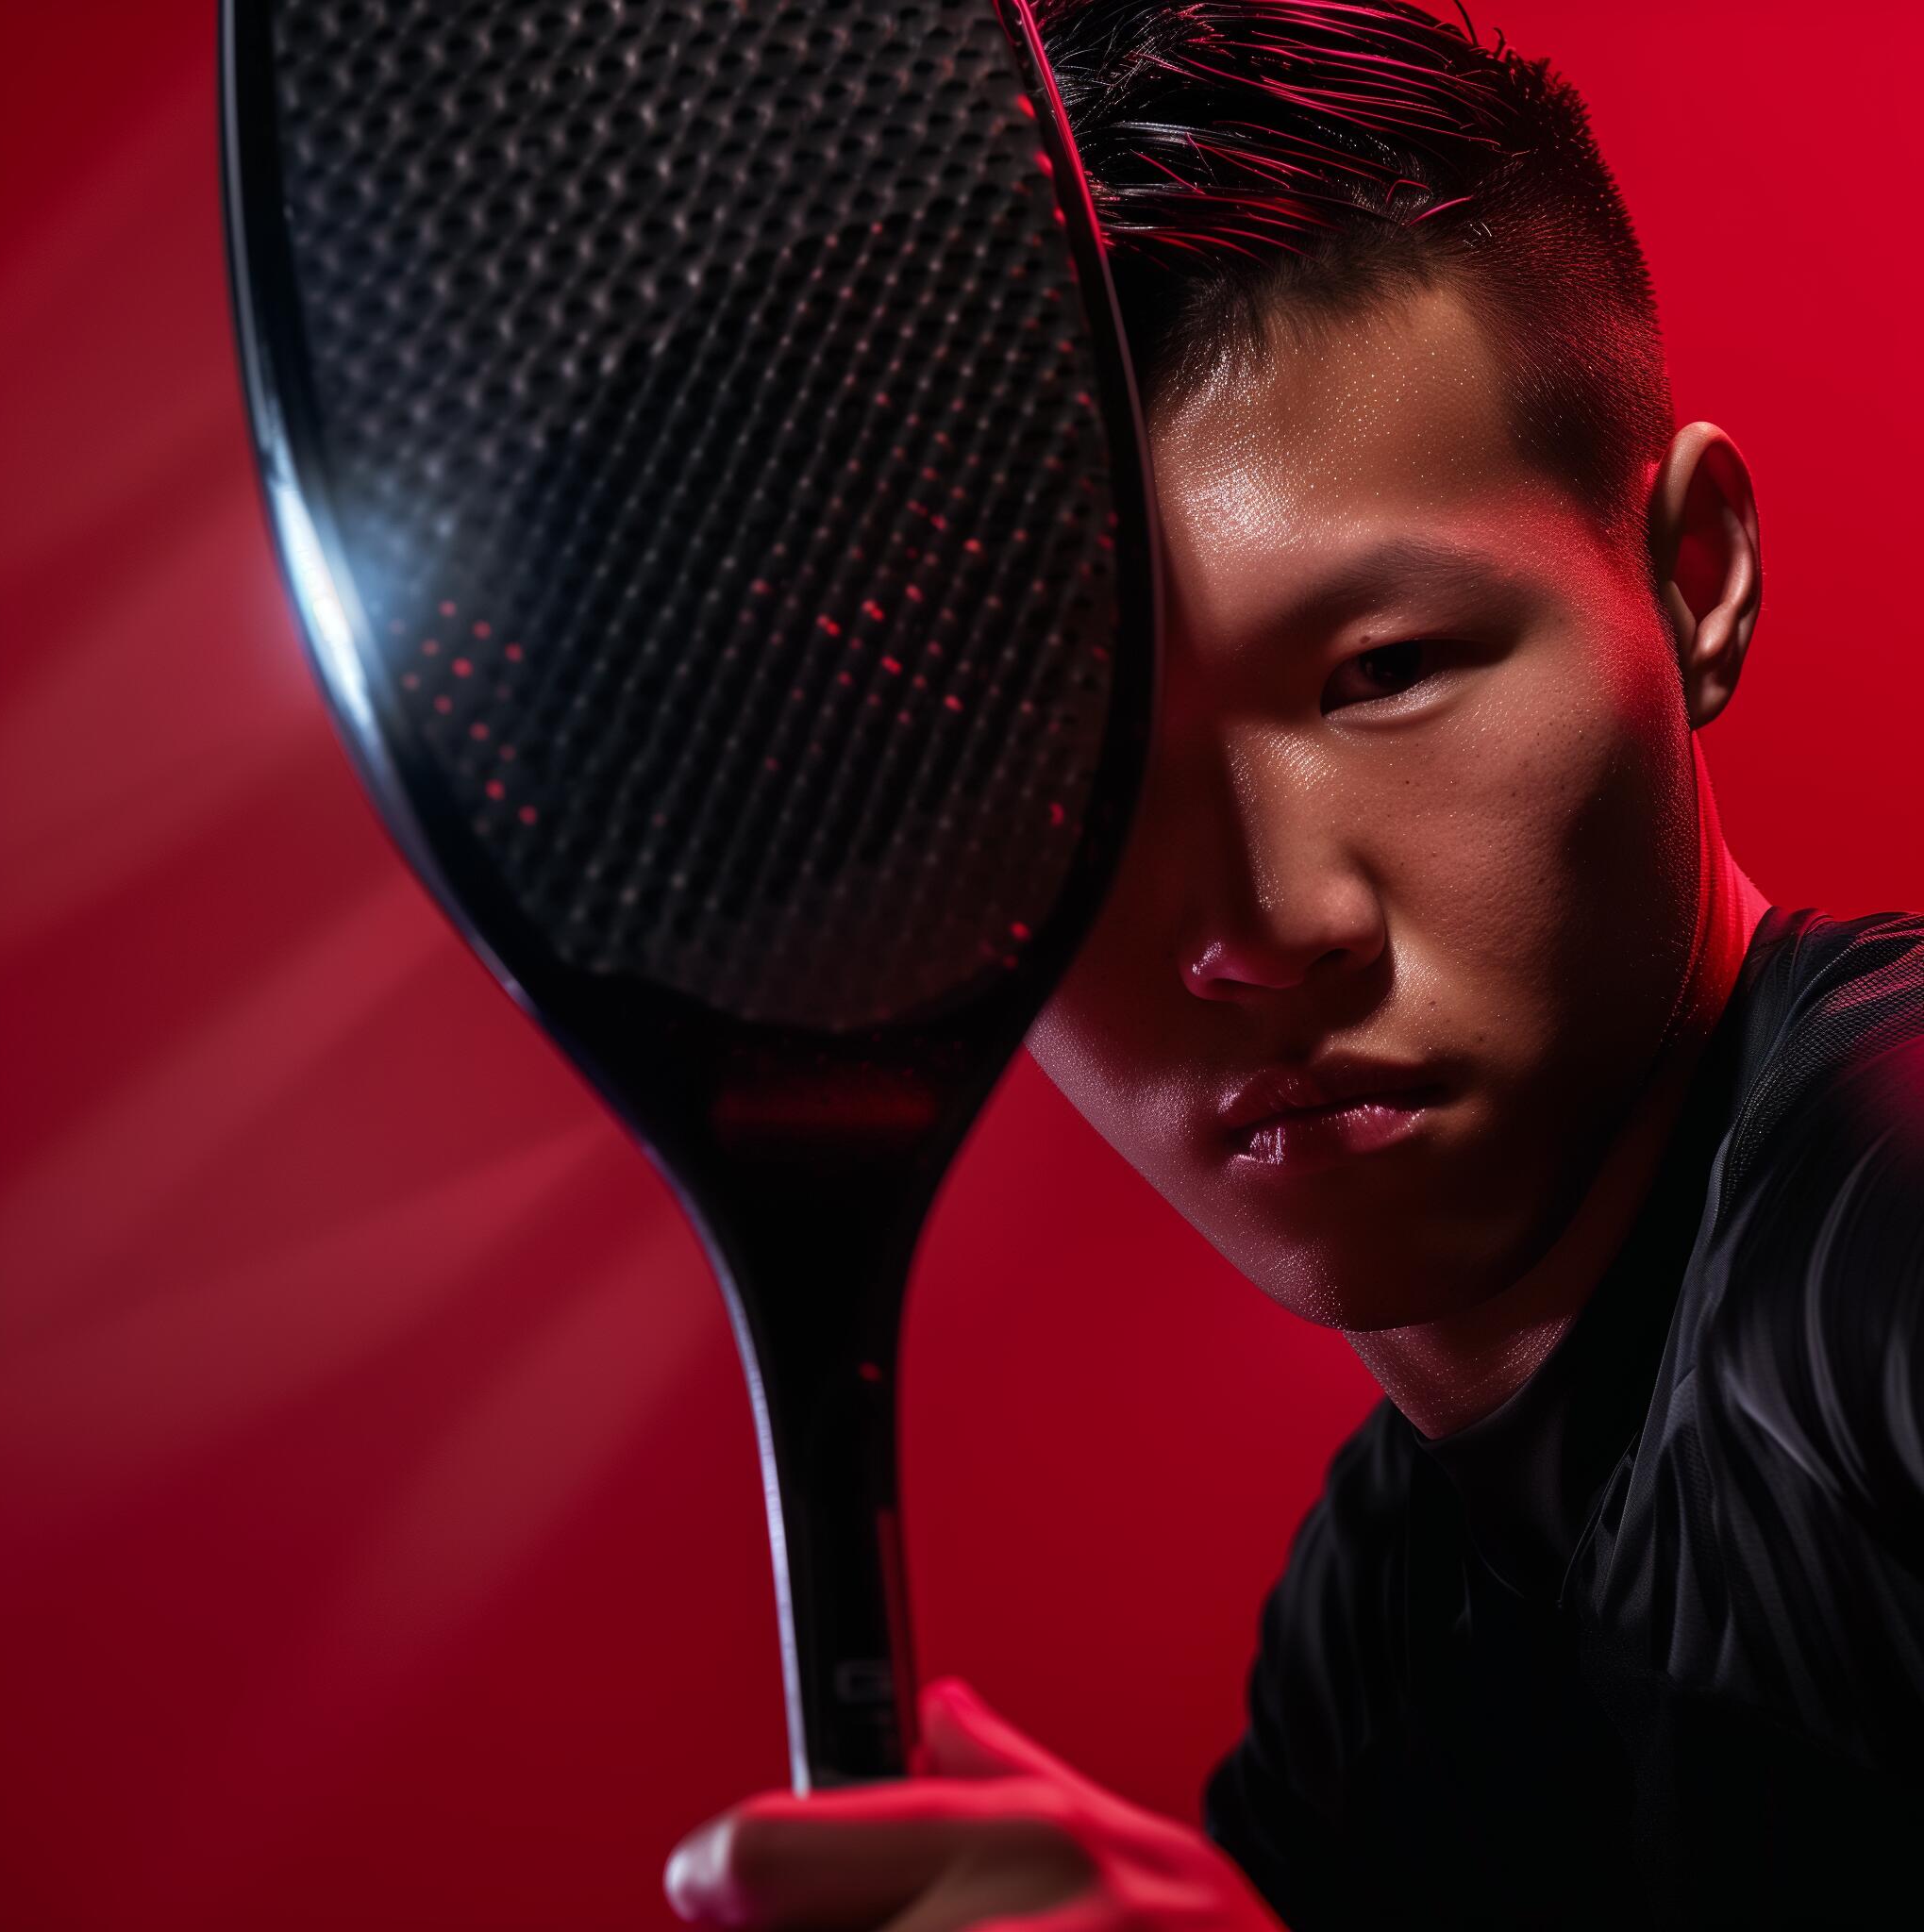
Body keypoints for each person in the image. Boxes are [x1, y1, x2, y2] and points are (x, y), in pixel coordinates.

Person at [662, 3, 1924, 1924]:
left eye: (1383, 674)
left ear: (1692, 581)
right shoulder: (1369, 1641)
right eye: (1088, 768)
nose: (1262, 927)